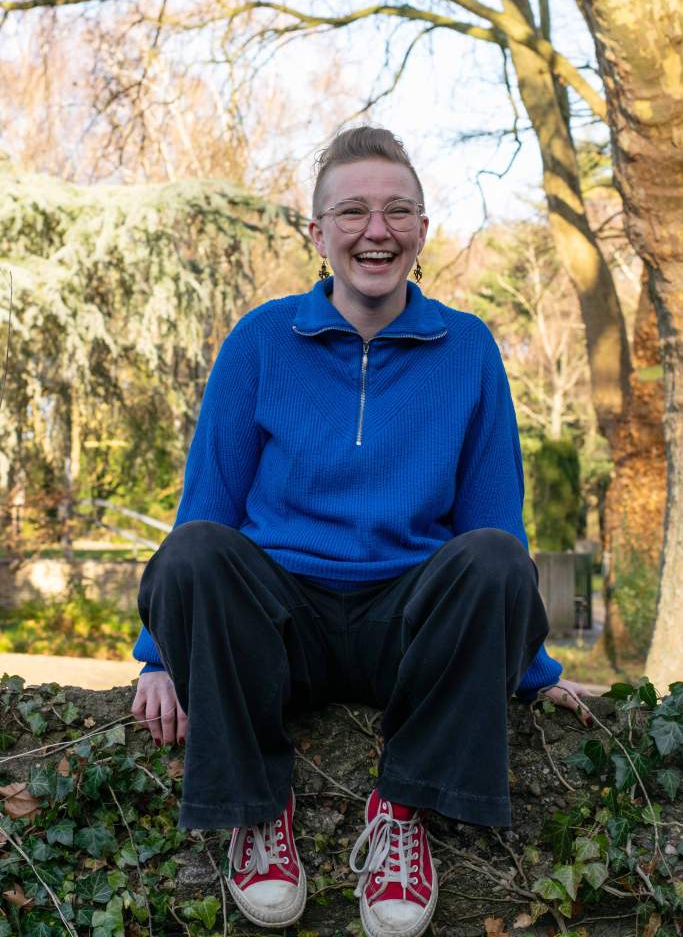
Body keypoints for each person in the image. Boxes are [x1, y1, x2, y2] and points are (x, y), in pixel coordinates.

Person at [131, 126, 591, 937]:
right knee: (196, 548)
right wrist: (161, 658)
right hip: (279, 627)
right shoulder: (261, 340)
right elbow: (206, 507)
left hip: (407, 629)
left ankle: (400, 814)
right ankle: (259, 814)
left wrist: (530, 670)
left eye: (396, 211)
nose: (375, 230)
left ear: (421, 229)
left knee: (494, 557)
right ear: (317, 233)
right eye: (351, 212)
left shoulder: (467, 348)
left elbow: (494, 524)